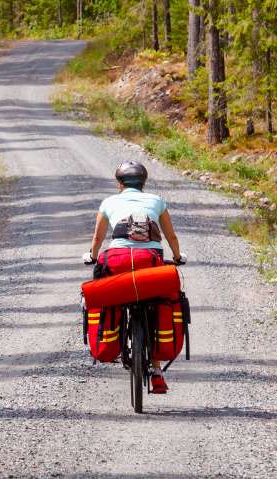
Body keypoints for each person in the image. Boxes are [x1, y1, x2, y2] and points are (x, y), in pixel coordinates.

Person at [84, 161, 185, 393]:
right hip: (150, 259)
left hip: (117, 259)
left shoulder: (109, 202)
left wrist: (92, 256)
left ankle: (113, 338)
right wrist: (178, 257)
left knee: (113, 297)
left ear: (119, 183)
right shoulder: (157, 200)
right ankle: (157, 372)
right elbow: (171, 236)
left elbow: (98, 238)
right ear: (144, 182)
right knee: (157, 302)